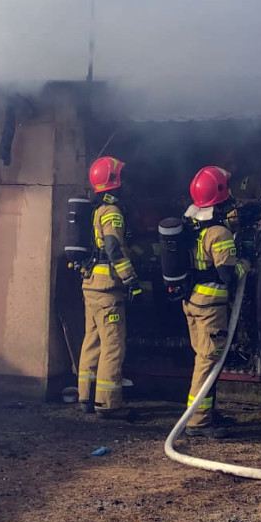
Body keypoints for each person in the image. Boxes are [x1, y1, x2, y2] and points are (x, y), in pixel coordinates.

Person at [180, 165, 249, 438]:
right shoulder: (219, 233)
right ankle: (198, 422)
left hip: (192, 301)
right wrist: (246, 262)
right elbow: (227, 275)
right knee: (208, 361)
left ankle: (204, 412)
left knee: (203, 358)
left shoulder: (193, 223)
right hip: (210, 307)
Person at [76, 156, 141, 420]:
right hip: (107, 288)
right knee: (113, 345)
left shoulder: (96, 209)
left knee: (92, 341)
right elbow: (114, 249)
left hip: (90, 285)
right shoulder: (111, 212)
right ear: (115, 183)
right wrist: (130, 279)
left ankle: (86, 397)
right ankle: (109, 403)